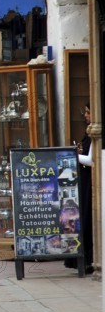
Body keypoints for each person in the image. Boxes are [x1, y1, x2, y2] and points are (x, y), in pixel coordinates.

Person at [65, 102, 94, 273]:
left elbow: (92, 159)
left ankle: (88, 259)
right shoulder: (89, 133)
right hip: (84, 180)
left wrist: (76, 156)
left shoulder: (94, 134)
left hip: (89, 181)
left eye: (88, 112)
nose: (86, 115)